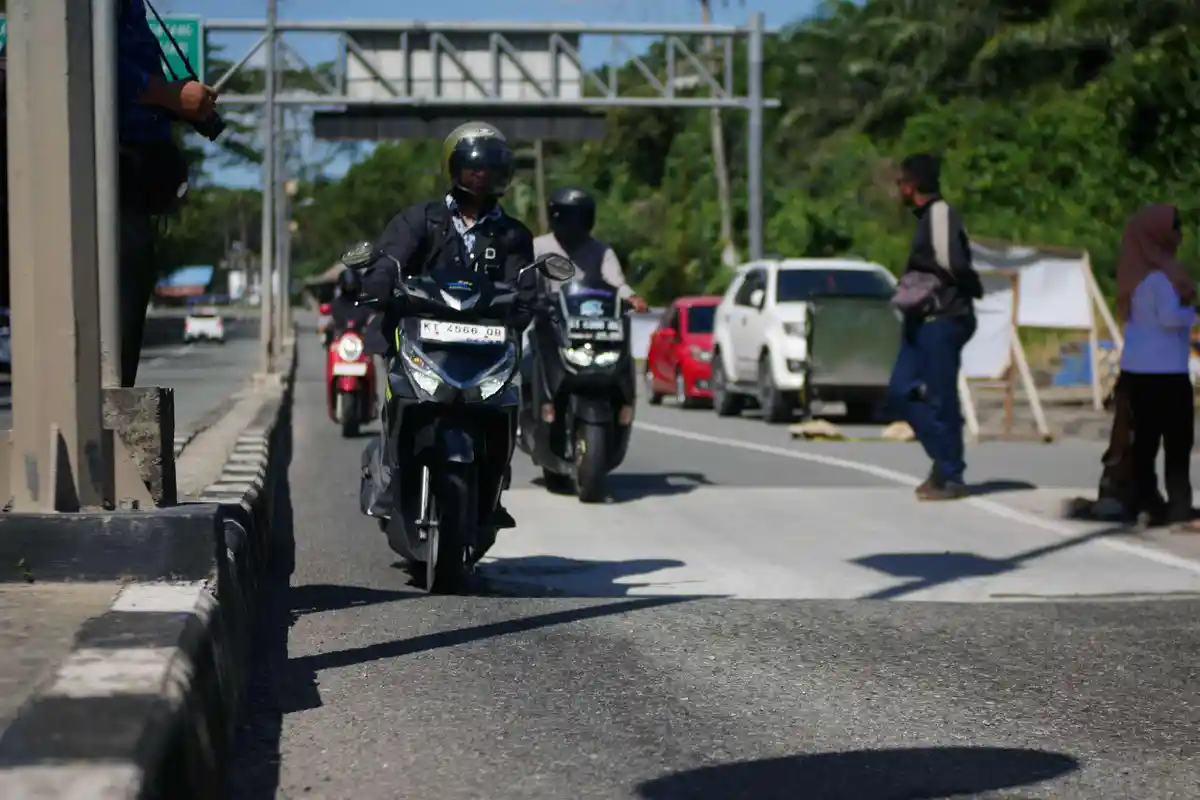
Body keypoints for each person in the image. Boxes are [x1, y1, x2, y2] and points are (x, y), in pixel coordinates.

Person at [359, 121, 538, 530]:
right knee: (394, 403)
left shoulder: (513, 235)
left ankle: (493, 489)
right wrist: (378, 284)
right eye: (473, 166)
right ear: (452, 169)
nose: (481, 175)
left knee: (508, 404)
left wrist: (529, 307)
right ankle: (387, 481)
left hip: (483, 348)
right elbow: (389, 260)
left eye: (491, 167)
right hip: (418, 341)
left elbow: (525, 288)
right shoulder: (420, 220)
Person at [118, 0, 220, 385]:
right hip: (107, 182)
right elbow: (89, 62)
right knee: (115, 327)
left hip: (132, 188)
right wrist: (168, 95)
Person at [886, 153, 983, 501]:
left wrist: (968, 288)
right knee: (900, 390)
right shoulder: (926, 217)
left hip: (943, 318)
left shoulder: (940, 213)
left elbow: (951, 263)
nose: (898, 188)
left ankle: (951, 474)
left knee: (941, 397)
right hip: (920, 320)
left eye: (901, 182)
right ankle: (942, 460)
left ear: (912, 185)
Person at [1114, 203, 1196, 528]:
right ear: (1160, 233)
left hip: (1138, 370)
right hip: (1165, 372)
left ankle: (1146, 502)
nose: (1181, 235)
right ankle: (1178, 505)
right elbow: (1168, 317)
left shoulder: (1134, 272)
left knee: (1145, 442)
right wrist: (1194, 316)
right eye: (1176, 228)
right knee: (1177, 441)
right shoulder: (1160, 277)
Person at [532, 187, 648, 312]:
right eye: (569, 218)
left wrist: (631, 297)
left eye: (579, 218)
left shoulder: (601, 250)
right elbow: (523, 283)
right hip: (546, 318)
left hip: (590, 316)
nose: (574, 224)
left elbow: (616, 283)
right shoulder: (538, 247)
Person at [325, 269, 374, 346]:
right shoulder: (336, 304)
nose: (350, 288)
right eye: (347, 286)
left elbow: (372, 319)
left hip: (360, 339)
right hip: (340, 340)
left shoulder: (365, 303)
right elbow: (329, 322)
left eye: (352, 286)